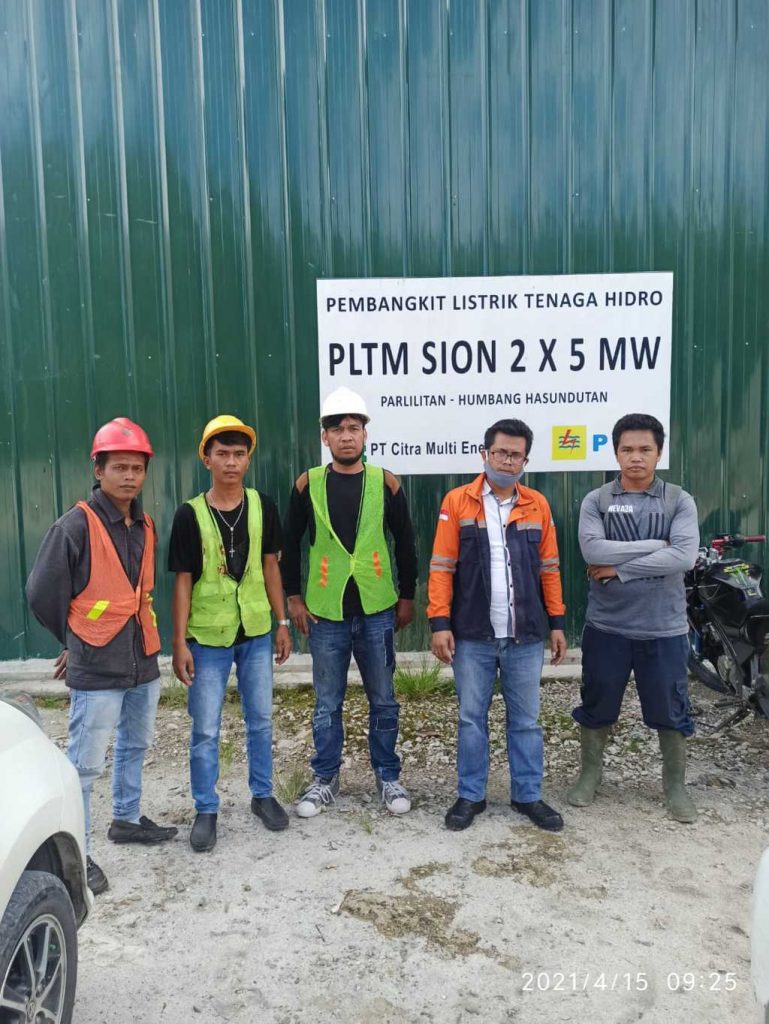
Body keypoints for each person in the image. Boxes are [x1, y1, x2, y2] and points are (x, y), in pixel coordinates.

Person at [26, 418, 177, 896]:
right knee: (84, 767)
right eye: (119, 467)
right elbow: (41, 592)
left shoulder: (145, 524)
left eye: (137, 468)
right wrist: (74, 640)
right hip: (97, 666)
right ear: (99, 469)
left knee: (136, 744)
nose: (130, 476)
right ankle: (79, 853)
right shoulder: (74, 526)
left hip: (142, 659)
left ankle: (126, 819)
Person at [281, 387, 418, 817]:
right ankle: (325, 779)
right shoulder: (307, 484)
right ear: (325, 437)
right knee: (327, 702)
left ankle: (387, 775)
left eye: (353, 428)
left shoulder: (385, 482)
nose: (346, 436)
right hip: (326, 612)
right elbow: (289, 543)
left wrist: (407, 596)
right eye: (337, 429)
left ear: (364, 434)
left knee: (384, 699)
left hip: (377, 609)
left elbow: (406, 543)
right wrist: (293, 598)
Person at [428, 418, 567, 832]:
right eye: (500, 452)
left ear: (526, 460)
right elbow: (441, 567)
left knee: (526, 721)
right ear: (485, 454)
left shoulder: (537, 505)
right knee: (472, 719)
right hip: (473, 635)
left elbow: (550, 568)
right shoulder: (457, 502)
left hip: (525, 635)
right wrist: (439, 622)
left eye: (516, 455)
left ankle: (528, 795)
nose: (507, 461)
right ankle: (470, 795)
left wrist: (557, 622)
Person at [567, 413, 700, 823]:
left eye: (645, 449)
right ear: (616, 453)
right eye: (627, 449)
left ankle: (674, 786)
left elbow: (684, 556)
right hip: (607, 627)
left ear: (659, 453)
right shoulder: (597, 500)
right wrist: (656, 546)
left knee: (671, 708)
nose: (636, 457)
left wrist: (621, 569)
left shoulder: (679, 500)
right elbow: (593, 552)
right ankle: (590, 774)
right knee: (597, 702)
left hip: (664, 628)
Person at [169, 415, 291, 852]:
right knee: (205, 728)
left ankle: (263, 795)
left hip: (256, 632)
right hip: (207, 638)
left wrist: (281, 623)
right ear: (207, 459)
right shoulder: (190, 514)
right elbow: (183, 581)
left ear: (248, 459)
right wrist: (179, 642)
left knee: (261, 719)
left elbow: (270, 566)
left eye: (239, 454)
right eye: (222, 454)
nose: (231, 462)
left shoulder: (262, 505)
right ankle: (206, 808)